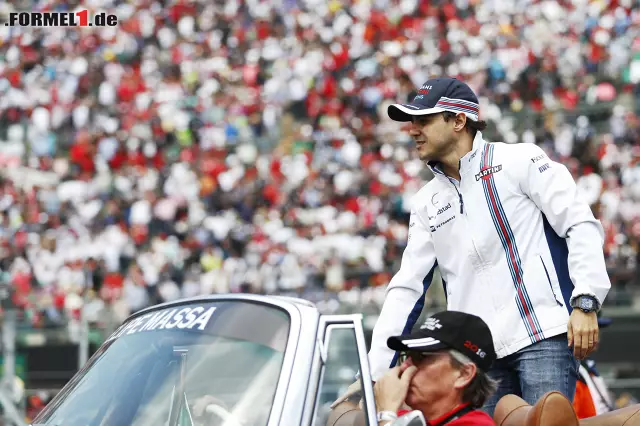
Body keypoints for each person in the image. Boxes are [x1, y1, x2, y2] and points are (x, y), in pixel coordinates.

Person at [333, 77, 611, 416]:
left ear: (458, 121)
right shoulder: (425, 202)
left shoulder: (519, 159)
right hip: (479, 355)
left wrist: (586, 300)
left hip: (544, 335)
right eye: (411, 122)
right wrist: (373, 372)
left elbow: (579, 223)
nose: (412, 130)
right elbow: (406, 288)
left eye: (424, 120)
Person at [328, 311, 498, 426]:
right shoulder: (407, 418)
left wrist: (386, 414)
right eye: (406, 356)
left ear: (463, 374)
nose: (406, 366)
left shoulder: (475, 424)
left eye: (420, 357)